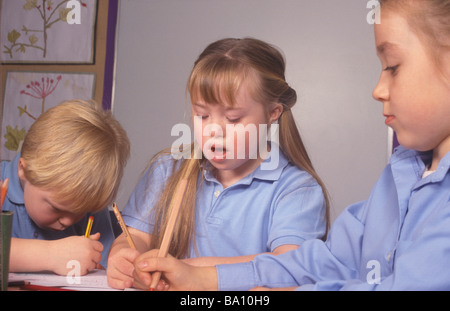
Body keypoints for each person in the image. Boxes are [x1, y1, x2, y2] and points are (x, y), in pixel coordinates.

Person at [133, 0, 450, 290]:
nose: (378, 89)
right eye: (202, 115)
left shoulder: (295, 188)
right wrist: (205, 277)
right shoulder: (400, 173)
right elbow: (329, 261)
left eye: (392, 66)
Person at [107, 38, 330, 289]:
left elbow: (290, 267)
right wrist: (124, 254)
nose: (214, 131)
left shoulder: (297, 189)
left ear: (272, 113)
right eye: (202, 115)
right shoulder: (166, 169)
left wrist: (191, 272)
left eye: (233, 119)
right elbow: (135, 236)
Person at [2, 100, 130, 276]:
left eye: (81, 211)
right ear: (23, 170)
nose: (68, 222)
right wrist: (51, 255)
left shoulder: (89, 203)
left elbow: (104, 269)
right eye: (56, 208)